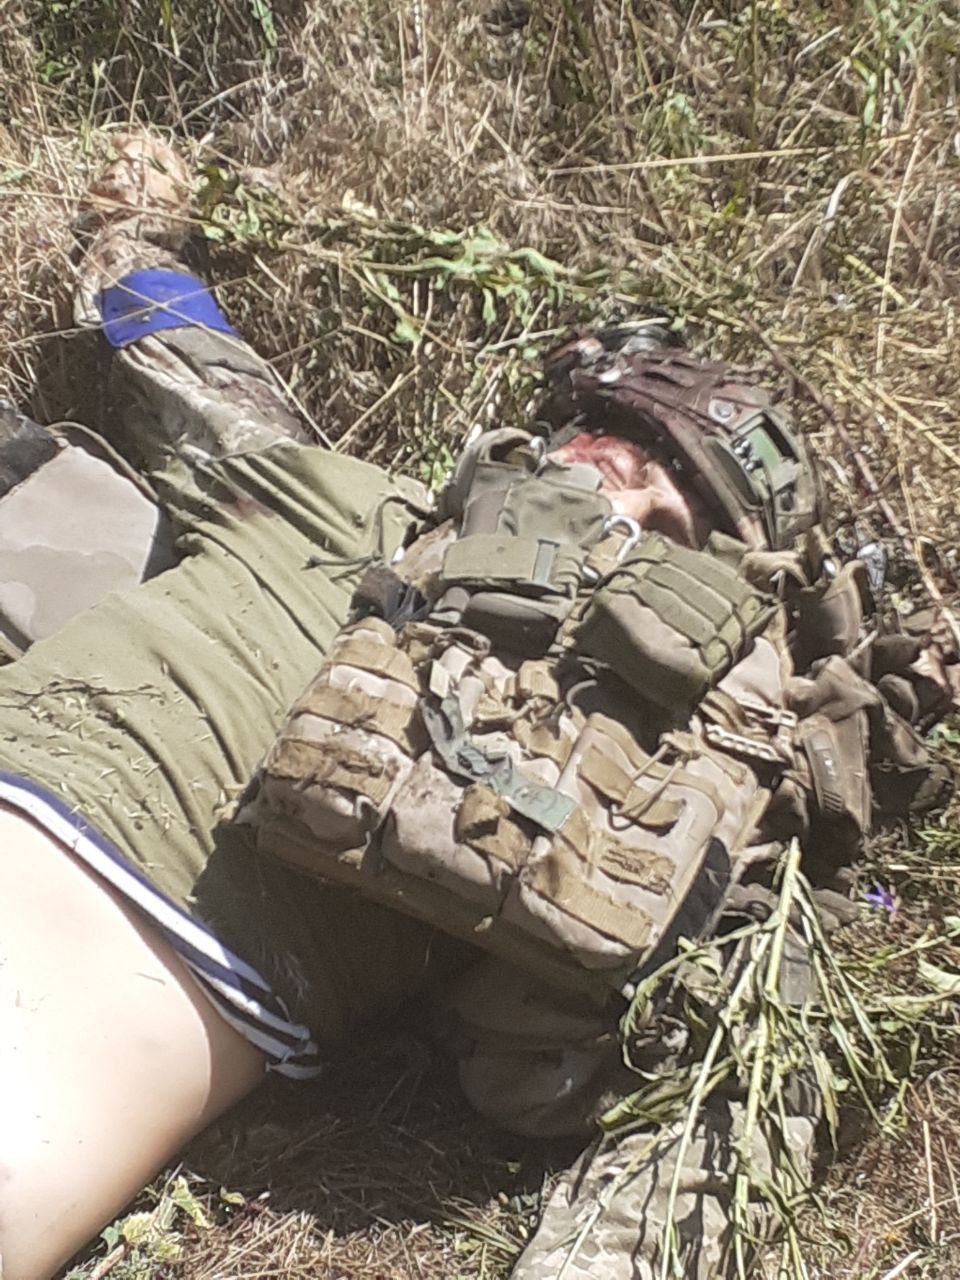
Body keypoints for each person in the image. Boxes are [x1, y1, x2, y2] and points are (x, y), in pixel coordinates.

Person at [0, 134, 954, 1280]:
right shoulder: (657, 742)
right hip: (144, 992)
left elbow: (169, 340)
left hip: (106, 940)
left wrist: (139, 216)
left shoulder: (358, 503)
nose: (631, 507)